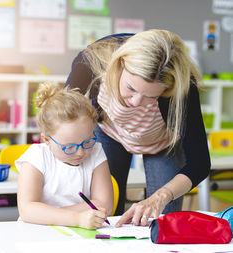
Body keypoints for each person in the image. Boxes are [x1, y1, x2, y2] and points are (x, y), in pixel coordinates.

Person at [65, 29, 211, 226]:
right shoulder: (92, 59)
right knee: (104, 213)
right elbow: (61, 115)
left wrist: (161, 196)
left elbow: (200, 162)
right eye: (131, 88)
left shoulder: (183, 87)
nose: (135, 102)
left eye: (151, 96)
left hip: (162, 143)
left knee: (161, 219)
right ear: (121, 64)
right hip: (110, 132)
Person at [15, 82, 113, 229]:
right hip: (37, 233)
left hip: (81, 233)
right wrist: (77, 218)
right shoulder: (36, 157)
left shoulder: (96, 151)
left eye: (87, 142)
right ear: (47, 140)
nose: (80, 152)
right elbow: (27, 210)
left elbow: (104, 204)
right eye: (69, 147)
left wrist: (46, 214)